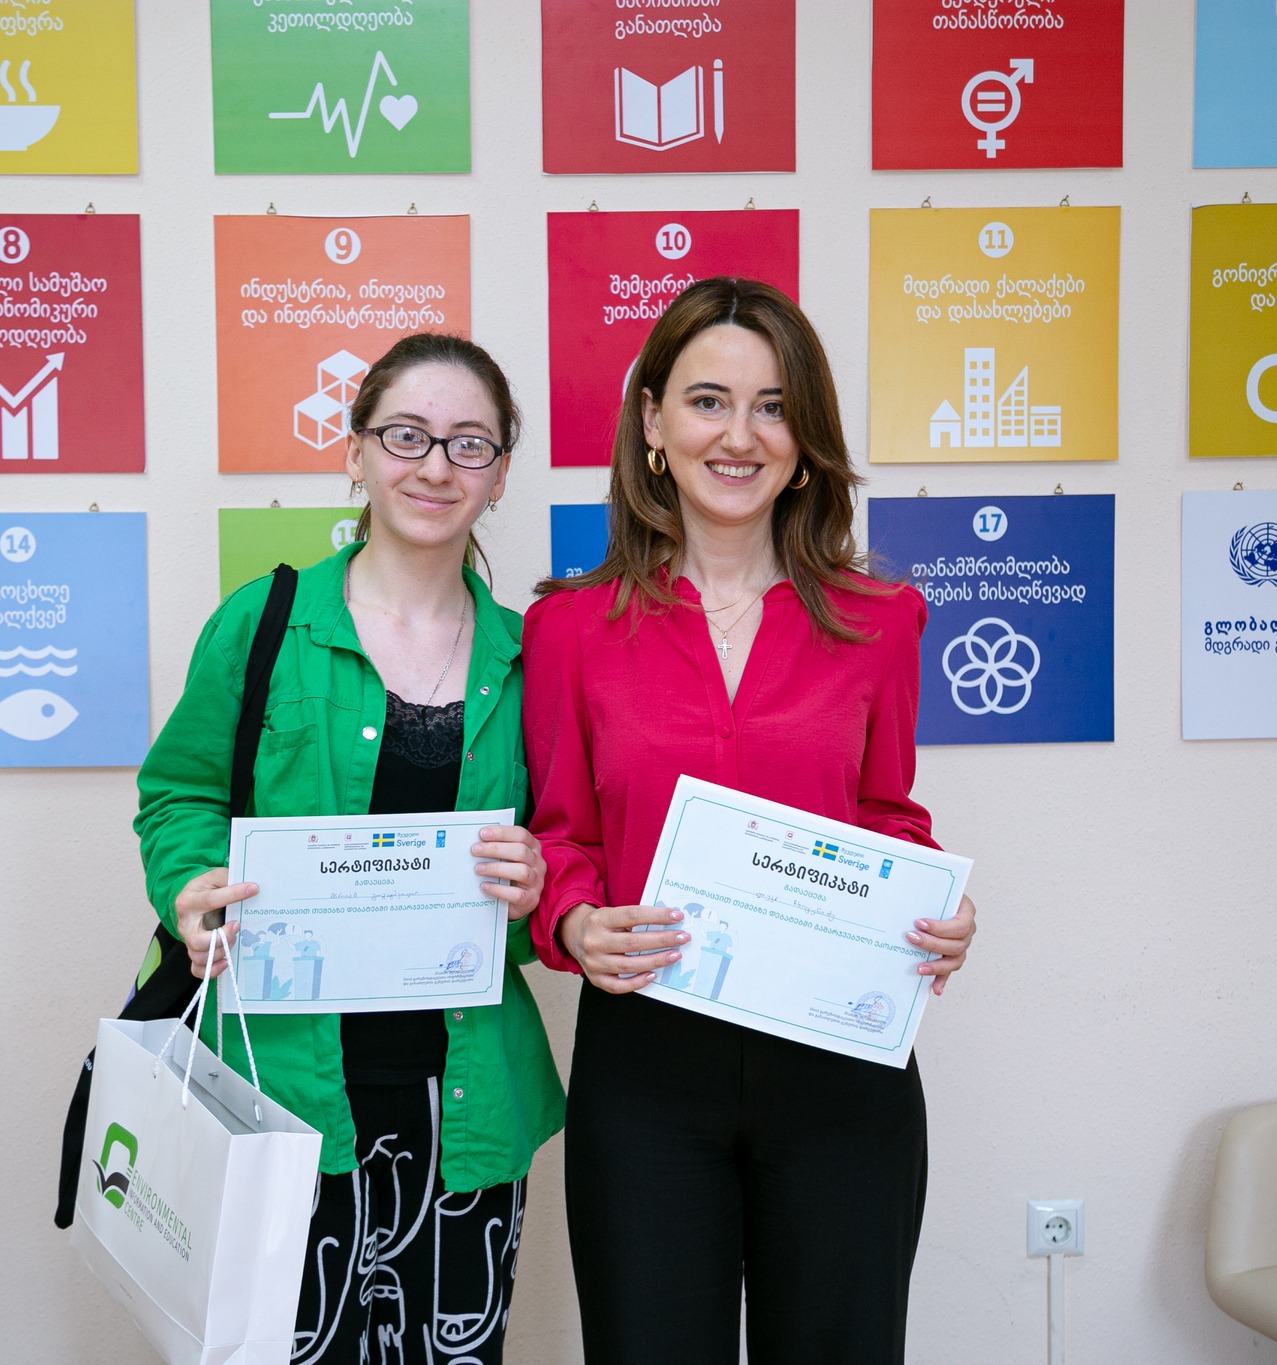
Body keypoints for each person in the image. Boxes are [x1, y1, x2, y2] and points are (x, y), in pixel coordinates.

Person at [523, 277, 978, 1363]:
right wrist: (574, 922)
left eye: (772, 406)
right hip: (647, 1070)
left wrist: (933, 911)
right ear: (651, 422)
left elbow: (885, 814)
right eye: (707, 401)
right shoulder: (569, 627)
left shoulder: (880, 621)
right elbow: (561, 835)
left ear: (805, 436)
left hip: (839, 1070)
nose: (739, 436)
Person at [135, 332, 563, 1364]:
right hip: (277, 1095)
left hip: (463, 1106)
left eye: (468, 443)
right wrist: (190, 887)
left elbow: (569, 845)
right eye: (406, 435)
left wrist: (541, 881)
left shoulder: (534, 658)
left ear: (501, 471)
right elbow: (179, 791)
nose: (435, 466)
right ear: (356, 451)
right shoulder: (265, 623)